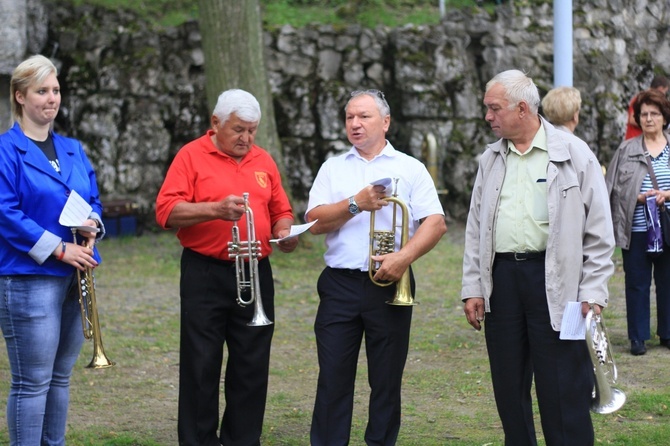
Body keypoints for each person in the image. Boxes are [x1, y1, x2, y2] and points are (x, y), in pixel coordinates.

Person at [461, 70, 615, 446]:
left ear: (522, 109)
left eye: (494, 109)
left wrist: (593, 291)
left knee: (563, 386)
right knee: (508, 386)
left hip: (557, 281)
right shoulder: (491, 158)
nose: (488, 116)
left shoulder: (574, 153)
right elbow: (475, 226)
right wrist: (473, 287)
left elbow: (599, 232)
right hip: (503, 282)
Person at [155, 88, 298, 446]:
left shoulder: (263, 160)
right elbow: (166, 212)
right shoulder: (190, 156)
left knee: (252, 364)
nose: (246, 138)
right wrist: (215, 209)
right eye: (239, 130)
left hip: (255, 270)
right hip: (206, 271)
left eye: (252, 131)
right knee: (201, 363)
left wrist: (285, 232)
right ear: (215, 123)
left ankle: (242, 439)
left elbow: (282, 211)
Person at [305, 89, 447, 445]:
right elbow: (314, 221)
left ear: (385, 122)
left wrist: (404, 257)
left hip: (390, 282)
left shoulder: (410, 168)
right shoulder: (333, 167)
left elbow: (435, 222)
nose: (355, 123)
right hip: (339, 284)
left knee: (386, 379)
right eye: (350, 117)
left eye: (364, 116)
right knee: (333, 375)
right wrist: (355, 204)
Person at [0, 54, 105, 445]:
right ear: (20, 97)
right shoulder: (6, 151)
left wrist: (94, 225)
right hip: (30, 279)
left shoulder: (73, 149)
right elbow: (4, 213)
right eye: (41, 91)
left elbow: (93, 198)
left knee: (60, 378)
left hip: (75, 277)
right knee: (32, 382)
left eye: (56, 90)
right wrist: (60, 249)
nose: (51, 98)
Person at [606, 88, 670, 356]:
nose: (648, 119)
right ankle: (637, 337)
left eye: (654, 113)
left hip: (667, 229)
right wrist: (638, 197)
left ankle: (667, 333)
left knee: (668, 282)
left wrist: (666, 194)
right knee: (636, 284)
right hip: (637, 228)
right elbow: (610, 189)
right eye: (643, 114)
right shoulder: (626, 149)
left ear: (664, 117)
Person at [625, 75, 670, 140]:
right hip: (634, 141)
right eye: (664, 92)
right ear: (660, 88)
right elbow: (632, 120)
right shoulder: (641, 99)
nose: (664, 95)